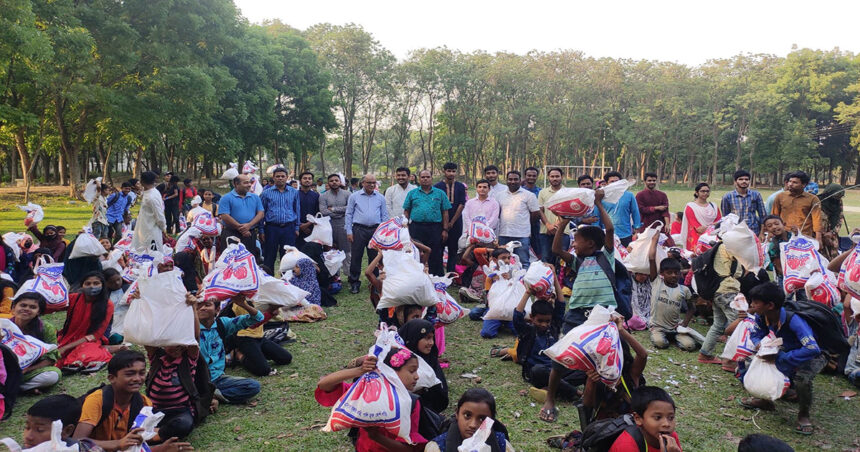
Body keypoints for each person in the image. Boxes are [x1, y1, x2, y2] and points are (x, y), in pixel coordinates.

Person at [541, 188, 614, 422]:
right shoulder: (577, 260)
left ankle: (593, 401)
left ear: (591, 243)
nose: (573, 245)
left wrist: (599, 204)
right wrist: (562, 223)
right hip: (576, 314)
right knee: (561, 356)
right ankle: (550, 399)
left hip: (603, 316)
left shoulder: (607, 257)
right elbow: (555, 250)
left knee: (600, 359)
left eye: (577, 241)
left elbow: (609, 229)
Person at [740, 282, 825, 436]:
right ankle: (766, 400)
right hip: (784, 349)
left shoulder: (795, 321)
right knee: (754, 362)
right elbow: (756, 333)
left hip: (813, 354)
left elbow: (812, 348)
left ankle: (803, 414)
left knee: (802, 379)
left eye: (756, 302)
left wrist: (782, 358)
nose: (751, 305)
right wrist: (760, 344)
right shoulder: (762, 316)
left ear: (770, 305)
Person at [315, 349, 427, 451]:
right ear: (390, 372)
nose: (417, 376)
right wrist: (359, 370)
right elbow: (324, 384)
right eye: (412, 371)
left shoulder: (411, 403)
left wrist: (376, 436)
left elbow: (408, 450)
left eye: (417, 371)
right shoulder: (364, 393)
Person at [74, 350, 152, 451]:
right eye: (129, 374)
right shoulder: (97, 400)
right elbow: (78, 440)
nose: (137, 378)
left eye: (141, 373)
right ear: (112, 378)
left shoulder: (144, 403)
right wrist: (118, 444)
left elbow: (142, 436)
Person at [196, 295, 262, 404]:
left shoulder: (222, 324)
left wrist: (243, 304)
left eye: (207, 305)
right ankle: (207, 396)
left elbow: (257, 318)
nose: (202, 308)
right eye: (198, 306)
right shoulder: (190, 328)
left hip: (217, 378)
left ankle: (212, 396)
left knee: (253, 386)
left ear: (217, 309)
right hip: (196, 380)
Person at [696, 238, 743, 370]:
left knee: (718, 324)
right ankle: (729, 361)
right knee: (737, 325)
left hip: (716, 291)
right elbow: (738, 272)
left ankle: (705, 354)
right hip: (728, 290)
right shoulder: (731, 247)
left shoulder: (718, 247)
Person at [647, 232, 697, 352]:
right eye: (669, 273)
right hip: (657, 327)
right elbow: (652, 259)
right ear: (662, 274)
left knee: (690, 346)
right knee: (661, 344)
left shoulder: (683, 290)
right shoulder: (656, 282)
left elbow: (692, 308)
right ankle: (663, 336)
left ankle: (676, 337)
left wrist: (684, 324)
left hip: (676, 328)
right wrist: (654, 241)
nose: (673, 275)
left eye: (676, 272)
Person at [56, 271, 114, 373]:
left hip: (90, 340)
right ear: (82, 286)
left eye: (96, 283)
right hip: (68, 337)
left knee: (87, 353)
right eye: (88, 283)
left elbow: (95, 335)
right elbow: (53, 306)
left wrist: (66, 347)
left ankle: (104, 350)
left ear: (103, 285)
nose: (92, 286)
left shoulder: (108, 304)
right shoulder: (73, 298)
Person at [425, 388, 514, 452]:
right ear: (457, 414)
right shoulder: (437, 447)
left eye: (482, 419)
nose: (473, 425)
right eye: (467, 415)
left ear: (491, 421)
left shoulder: (501, 444)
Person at [345, 174, 388, 294]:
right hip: (358, 230)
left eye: (374, 183)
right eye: (369, 182)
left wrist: (384, 232)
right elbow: (349, 214)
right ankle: (354, 282)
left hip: (376, 230)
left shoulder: (380, 197)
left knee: (375, 257)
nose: (372, 185)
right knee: (356, 257)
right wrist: (349, 231)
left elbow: (384, 216)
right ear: (362, 183)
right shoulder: (354, 196)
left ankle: (374, 282)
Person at [228, 296, 291, 377]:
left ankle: (257, 354)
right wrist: (270, 313)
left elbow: (260, 318)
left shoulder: (255, 298)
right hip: (245, 337)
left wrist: (273, 310)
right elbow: (252, 324)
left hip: (259, 337)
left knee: (285, 358)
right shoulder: (238, 303)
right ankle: (238, 355)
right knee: (263, 370)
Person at [10, 292, 61, 393]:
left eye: (32, 307)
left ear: (38, 312)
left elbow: (51, 358)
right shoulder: (4, 326)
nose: (27, 309)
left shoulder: (46, 328)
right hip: (5, 371)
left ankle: (13, 389)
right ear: (14, 307)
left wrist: (26, 370)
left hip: (28, 372)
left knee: (52, 375)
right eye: (23, 305)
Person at [403, 170, 451, 276]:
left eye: (427, 177)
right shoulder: (412, 193)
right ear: (419, 179)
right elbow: (406, 211)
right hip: (416, 227)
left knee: (436, 253)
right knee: (415, 253)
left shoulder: (440, 193)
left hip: (435, 228)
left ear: (431, 178)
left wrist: (445, 229)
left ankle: (437, 278)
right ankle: (415, 277)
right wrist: (405, 228)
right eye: (423, 177)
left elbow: (445, 212)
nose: (425, 179)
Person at [607, 386, 682, 452]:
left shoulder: (671, 438)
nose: (666, 424)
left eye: (671, 418)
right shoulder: (626, 446)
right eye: (657, 417)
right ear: (638, 418)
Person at [398, 319, 449, 413]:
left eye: (432, 338)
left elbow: (441, 394)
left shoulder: (431, 360)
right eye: (427, 338)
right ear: (414, 338)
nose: (431, 343)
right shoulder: (399, 361)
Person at [495, 170, 539, 269]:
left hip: (522, 235)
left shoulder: (529, 195)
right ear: (506, 180)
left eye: (515, 179)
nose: (513, 182)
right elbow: (497, 214)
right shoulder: (499, 195)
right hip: (504, 234)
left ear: (520, 180)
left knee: (523, 262)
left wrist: (525, 224)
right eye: (510, 179)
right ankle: (505, 283)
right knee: (503, 262)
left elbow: (535, 213)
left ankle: (523, 283)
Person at [259, 167, 300, 271]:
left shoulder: (294, 192)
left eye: (283, 176)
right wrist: (261, 230)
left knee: (288, 256)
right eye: (278, 176)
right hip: (271, 228)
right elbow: (261, 213)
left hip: (288, 228)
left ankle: (286, 281)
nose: (280, 178)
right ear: (273, 178)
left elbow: (297, 210)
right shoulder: (266, 193)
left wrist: (297, 227)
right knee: (269, 255)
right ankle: (268, 280)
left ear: (287, 178)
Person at [218, 173, 264, 261]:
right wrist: (241, 228)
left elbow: (261, 213)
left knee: (249, 260)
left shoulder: (255, 197)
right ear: (236, 184)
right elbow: (225, 216)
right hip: (231, 234)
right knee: (231, 261)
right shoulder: (226, 198)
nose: (249, 185)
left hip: (249, 234)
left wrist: (249, 225)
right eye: (245, 183)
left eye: (249, 182)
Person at [771, 170, 822, 243]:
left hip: (804, 237)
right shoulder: (780, 197)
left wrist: (818, 239)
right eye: (790, 181)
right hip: (783, 236)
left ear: (804, 185)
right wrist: (771, 233)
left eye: (795, 182)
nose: (790, 184)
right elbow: (774, 216)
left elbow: (817, 220)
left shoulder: (813, 199)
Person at [435, 163, 467, 273]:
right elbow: (437, 206)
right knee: (439, 249)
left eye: (453, 171)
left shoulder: (460, 186)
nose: (451, 173)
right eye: (449, 171)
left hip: (456, 223)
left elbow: (462, 204)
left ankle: (451, 274)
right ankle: (439, 274)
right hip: (440, 223)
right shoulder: (437, 187)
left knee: (453, 250)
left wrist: (452, 222)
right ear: (444, 171)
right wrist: (445, 223)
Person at [319, 173, 352, 278]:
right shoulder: (323, 196)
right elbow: (323, 211)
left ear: (340, 182)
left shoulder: (347, 194)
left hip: (344, 225)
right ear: (328, 183)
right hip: (329, 226)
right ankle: (335, 276)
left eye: (336, 180)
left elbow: (350, 209)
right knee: (331, 251)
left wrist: (333, 209)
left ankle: (349, 275)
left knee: (347, 251)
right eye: (331, 181)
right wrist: (341, 212)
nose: (334, 182)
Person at [537, 168, 570, 265]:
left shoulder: (568, 192)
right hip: (545, 232)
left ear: (562, 177)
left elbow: (569, 211)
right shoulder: (543, 192)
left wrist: (557, 226)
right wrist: (548, 225)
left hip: (563, 232)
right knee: (545, 260)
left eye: (557, 176)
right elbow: (540, 210)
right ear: (548, 177)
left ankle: (559, 280)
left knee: (561, 261)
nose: (555, 178)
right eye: (552, 176)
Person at [719, 170, 767, 235]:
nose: (744, 181)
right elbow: (726, 217)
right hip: (735, 232)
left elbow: (763, 216)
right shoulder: (727, 197)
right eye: (740, 179)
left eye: (746, 179)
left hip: (754, 231)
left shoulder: (756, 195)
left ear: (749, 181)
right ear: (735, 182)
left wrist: (762, 233)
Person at [602, 171, 641, 247]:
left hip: (625, 234)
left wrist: (636, 229)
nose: (615, 183)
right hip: (607, 234)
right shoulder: (602, 196)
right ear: (606, 183)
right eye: (612, 182)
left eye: (617, 181)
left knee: (625, 256)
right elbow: (598, 215)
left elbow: (635, 212)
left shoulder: (629, 195)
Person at [131, 171, 167, 253]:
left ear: (142, 182)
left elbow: (159, 216)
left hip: (151, 230)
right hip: (144, 227)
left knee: (152, 254)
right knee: (141, 252)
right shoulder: (150, 192)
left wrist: (163, 228)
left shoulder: (151, 197)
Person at [679, 183, 721, 252]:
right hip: (697, 239)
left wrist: (709, 227)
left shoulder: (714, 206)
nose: (705, 193)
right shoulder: (691, 206)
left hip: (713, 239)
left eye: (707, 191)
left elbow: (719, 223)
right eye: (702, 191)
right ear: (696, 193)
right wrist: (712, 226)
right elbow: (698, 228)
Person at [296, 171, 320, 249]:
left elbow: (317, 212)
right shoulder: (294, 194)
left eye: (309, 179)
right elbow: (291, 211)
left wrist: (308, 225)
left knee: (311, 252)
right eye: (305, 178)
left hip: (312, 228)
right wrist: (300, 225)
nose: (307, 180)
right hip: (296, 228)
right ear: (300, 181)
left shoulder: (316, 196)